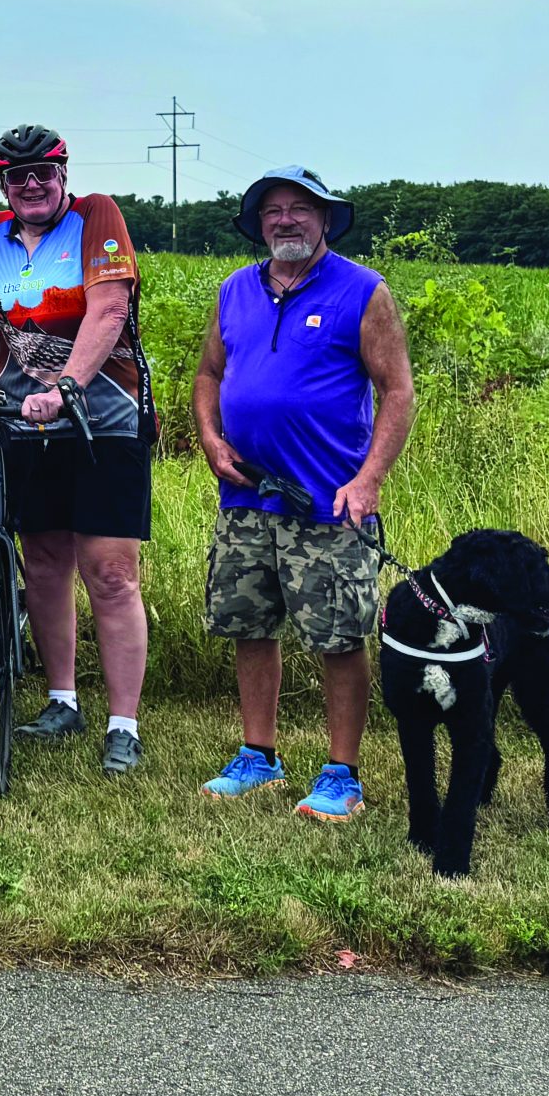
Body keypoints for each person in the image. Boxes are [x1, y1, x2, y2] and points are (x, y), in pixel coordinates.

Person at [195, 167, 414, 823]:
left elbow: (398, 391)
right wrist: (209, 438)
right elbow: (210, 373)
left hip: (328, 502)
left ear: (325, 220)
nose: (285, 220)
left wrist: (369, 478)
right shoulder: (235, 290)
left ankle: (341, 774)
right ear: (258, 224)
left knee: (339, 637)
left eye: (299, 209)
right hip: (246, 498)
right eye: (273, 211)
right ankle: (258, 756)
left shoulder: (362, 292)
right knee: (250, 627)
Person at [0, 124, 154, 775]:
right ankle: (62, 699)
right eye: (18, 177)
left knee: (110, 572)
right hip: (28, 424)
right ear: (3, 185)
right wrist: (2, 381)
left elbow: (108, 310)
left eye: (43, 172)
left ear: (62, 173)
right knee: (42, 561)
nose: (32, 184)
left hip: (105, 419)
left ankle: (123, 724)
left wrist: (67, 386)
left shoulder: (95, 215)